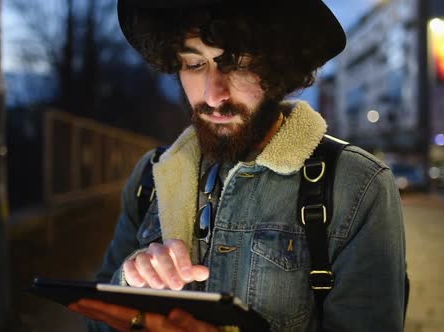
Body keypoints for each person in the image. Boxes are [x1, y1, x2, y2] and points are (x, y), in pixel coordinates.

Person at [69, 0, 407, 331]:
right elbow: (94, 320)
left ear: (279, 68)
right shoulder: (151, 176)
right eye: (194, 64)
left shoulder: (357, 185)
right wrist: (131, 285)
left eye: (238, 65)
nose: (214, 95)